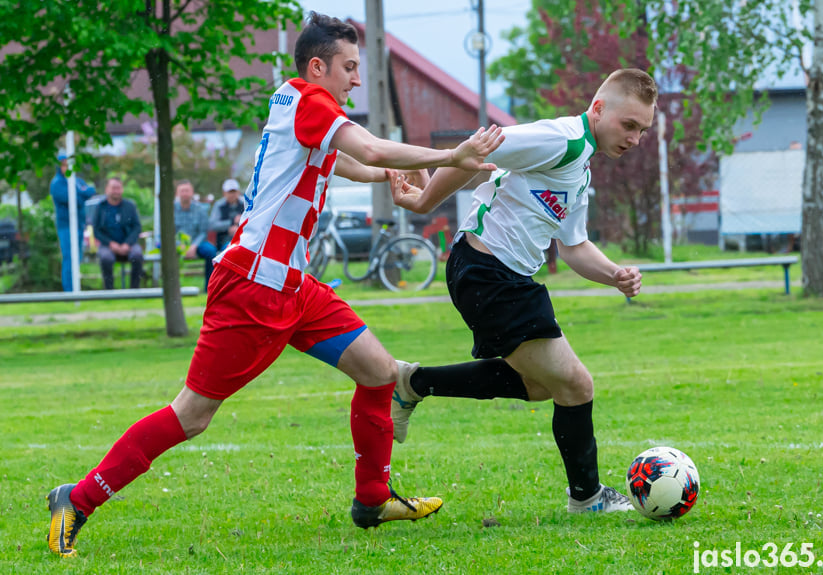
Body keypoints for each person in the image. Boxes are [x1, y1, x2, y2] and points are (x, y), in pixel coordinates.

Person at [46, 11, 504, 557]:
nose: (357, 78)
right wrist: (452, 155)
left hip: (292, 286)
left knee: (381, 373)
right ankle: (77, 498)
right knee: (191, 415)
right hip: (252, 289)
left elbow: (352, 163)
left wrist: (384, 173)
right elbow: (373, 149)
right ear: (319, 66)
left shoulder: (298, 102)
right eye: (349, 67)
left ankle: (372, 499)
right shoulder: (312, 102)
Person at [387, 68, 655, 516]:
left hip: (505, 278)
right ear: (599, 108)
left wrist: (614, 275)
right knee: (576, 384)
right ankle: (586, 498)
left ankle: (410, 382)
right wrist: (423, 201)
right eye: (629, 125)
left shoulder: (579, 168)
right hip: (486, 270)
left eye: (643, 130)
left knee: (540, 386)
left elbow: (572, 246)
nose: (635, 138)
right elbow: (475, 152)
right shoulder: (561, 140)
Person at [49, 152, 96, 291]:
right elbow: (73, 199)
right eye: (63, 165)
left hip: (79, 224)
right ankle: (69, 290)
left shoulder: (75, 180)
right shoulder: (57, 183)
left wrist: (80, 195)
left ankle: (76, 287)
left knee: (78, 257)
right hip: (66, 226)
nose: (66, 168)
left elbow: (90, 190)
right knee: (69, 257)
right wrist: (81, 195)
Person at [92, 178, 144, 289]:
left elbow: (137, 227)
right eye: (113, 188)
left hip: (128, 244)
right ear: (107, 189)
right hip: (108, 245)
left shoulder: (130, 206)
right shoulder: (101, 207)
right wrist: (110, 244)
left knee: (137, 255)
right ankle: (109, 291)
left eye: (118, 188)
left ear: (122, 190)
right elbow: (96, 230)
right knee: (106, 258)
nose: (116, 191)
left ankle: (135, 291)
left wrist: (127, 243)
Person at [174, 179, 217, 291]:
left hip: (197, 244)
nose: (185, 194)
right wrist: (181, 245)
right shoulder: (171, 209)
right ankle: (173, 288)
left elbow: (203, 232)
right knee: (165, 252)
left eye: (187, 191)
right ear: (177, 193)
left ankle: (209, 287)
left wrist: (193, 246)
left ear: (192, 193)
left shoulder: (200, 209)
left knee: (211, 251)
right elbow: (170, 232)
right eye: (182, 191)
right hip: (177, 245)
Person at [209, 178, 245, 250]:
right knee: (230, 249)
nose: (232, 194)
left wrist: (240, 225)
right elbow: (212, 225)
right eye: (229, 192)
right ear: (224, 193)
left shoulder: (245, 204)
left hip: (243, 239)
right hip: (224, 240)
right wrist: (230, 223)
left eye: (234, 192)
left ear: (238, 192)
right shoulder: (219, 205)